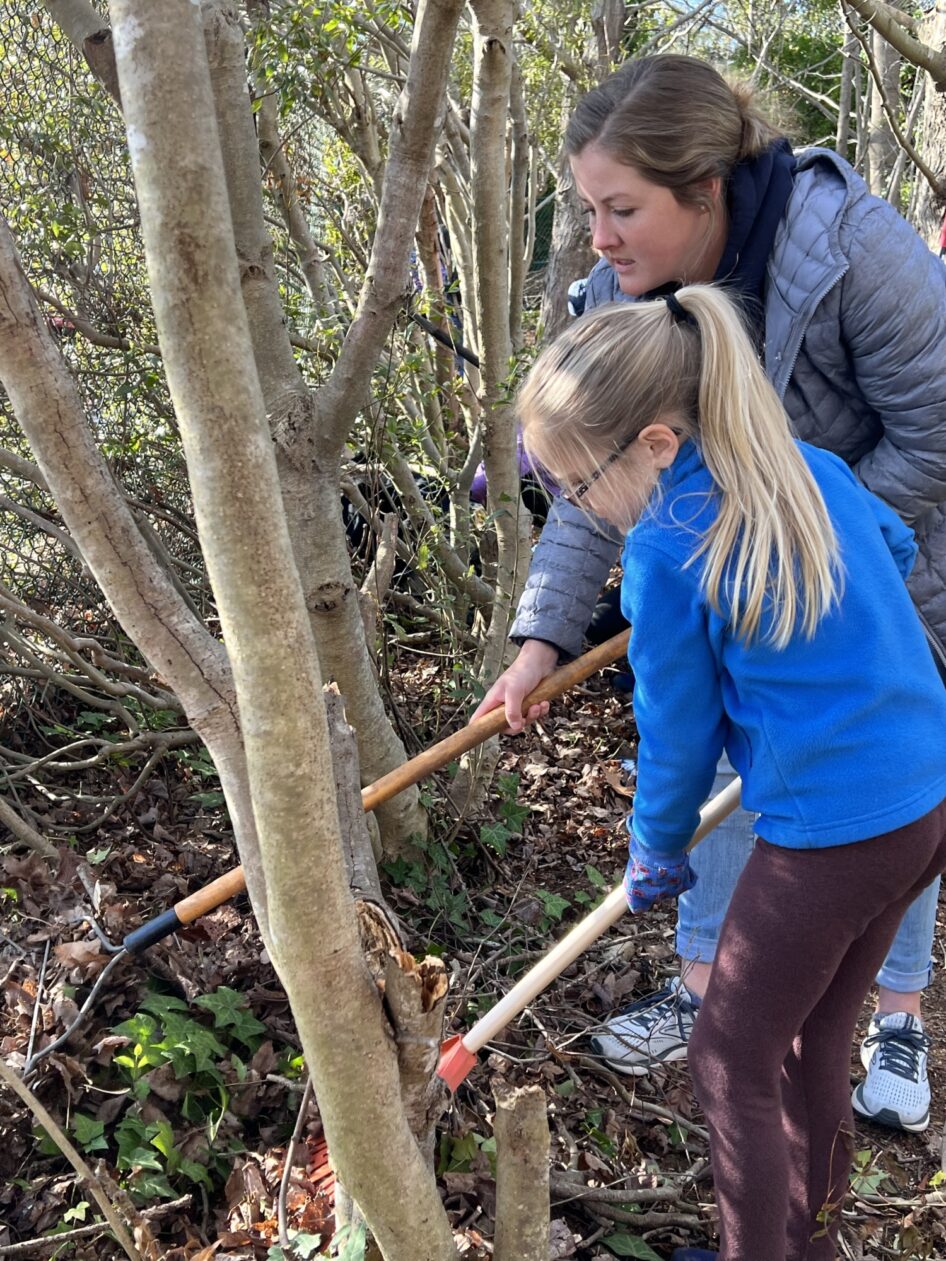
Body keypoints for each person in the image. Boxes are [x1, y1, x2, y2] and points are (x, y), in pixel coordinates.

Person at [472, 54, 946, 1133]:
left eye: (620, 207)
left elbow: (938, 426)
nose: (597, 236)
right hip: (760, 566)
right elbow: (595, 489)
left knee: (879, 782)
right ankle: (709, 986)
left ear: (704, 189)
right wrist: (541, 638)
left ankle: (900, 1011)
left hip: (899, 565)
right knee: (753, 763)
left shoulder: (851, 250)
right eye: (588, 208)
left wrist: (789, 553)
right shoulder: (614, 292)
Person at [515, 283, 946, 1261]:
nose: (578, 506)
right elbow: (897, 541)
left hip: (836, 835)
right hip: (923, 800)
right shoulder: (810, 470)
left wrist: (655, 852)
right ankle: (810, 1244)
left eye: (576, 486)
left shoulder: (666, 554)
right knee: (812, 1040)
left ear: (656, 445)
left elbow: (675, 737)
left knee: (728, 1053)